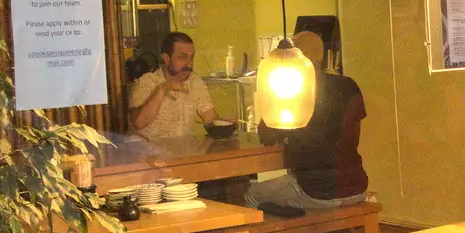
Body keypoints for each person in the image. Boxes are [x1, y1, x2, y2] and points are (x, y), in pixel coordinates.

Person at [245, 31, 369, 213]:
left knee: (251, 194)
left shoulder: (293, 90)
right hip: (357, 186)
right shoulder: (349, 85)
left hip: (314, 190)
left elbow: (267, 135)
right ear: (323, 56)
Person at [127, 32, 222, 140]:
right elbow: (139, 122)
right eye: (183, 57)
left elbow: (211, 120)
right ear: (166, 59)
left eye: (191, 57)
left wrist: (226, 125)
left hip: (182, 154)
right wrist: (163, 89)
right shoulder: (147, 82)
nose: (189, 64)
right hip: (146, 154)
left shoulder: (195, 83)